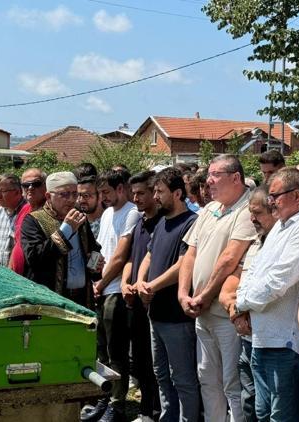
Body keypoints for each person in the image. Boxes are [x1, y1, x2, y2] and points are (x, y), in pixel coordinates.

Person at [234, 168, 299, 421]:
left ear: (297, 196)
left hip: (285, 343)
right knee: (263, 414)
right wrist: (242, 302)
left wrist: (241, 302)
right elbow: (255, 270)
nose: (270, 201)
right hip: (261, 338)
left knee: (282, 417)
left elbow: (278, 281)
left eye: (275, 196)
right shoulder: (281, 226)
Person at [178, 155, 256, 422]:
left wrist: (203, 296)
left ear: (236, 178)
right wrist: (183, 294)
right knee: (207, 378)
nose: (208, 181)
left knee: (232, 383)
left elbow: (229, 259)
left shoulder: (248, 210)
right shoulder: (209, 209)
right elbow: (190, 253)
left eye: (214, 174)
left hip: (226, 316)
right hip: (201, 312)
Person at [135, 167, 200, 422]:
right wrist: (141, 281)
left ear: (178, 193)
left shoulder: (191, 223)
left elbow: (183, 265)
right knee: (161, 373)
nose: (156, 196)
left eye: (160, 192)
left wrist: (152, 286)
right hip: (156, 313)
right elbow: (150, 255)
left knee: (182, 378)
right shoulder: (161, 222)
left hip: (176, 317)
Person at [218, 186, 277, 422]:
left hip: (270, 342)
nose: (252, 218)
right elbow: (234, 280)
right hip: (246, 339)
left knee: (268, 409)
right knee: (249, 402)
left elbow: (272, 290)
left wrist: (240, 310)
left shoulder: (282, 245)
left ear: (275, 211)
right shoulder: (255, 243)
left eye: (258, 212)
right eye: (250, 213)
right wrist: (234, 310)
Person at [88, 169, 141, 422]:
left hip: (115, 292)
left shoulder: (131, 213)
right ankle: (104, 397)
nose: (104, 198)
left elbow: (120, 256)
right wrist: (93, 275)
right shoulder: (108, 212)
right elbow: (100, 249)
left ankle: (117, 404)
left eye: (107, 192)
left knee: (117, 352)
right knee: (102, 352)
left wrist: (100, 284)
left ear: (121, 188)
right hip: (101, 288)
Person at [21, 171, 100, 304]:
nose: (70, 199)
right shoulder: (33, 220)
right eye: (64, 194)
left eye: (74, 194)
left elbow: (94, 249)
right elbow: (34, 257)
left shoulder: (80, 218)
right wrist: (66, 230)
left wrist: (95, 264)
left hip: (82, 297)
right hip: (50, 299)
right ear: (48, 196)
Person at [121, 171, 161, 422]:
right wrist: (126, 282)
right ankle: (147, 408)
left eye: (141, 193)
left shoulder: (163, 224)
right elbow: (131, 260)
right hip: (134, 302)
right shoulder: (139, 223)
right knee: (141, 361)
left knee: (155, 363)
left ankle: (154, 409)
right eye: (133, 194)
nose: (136, 199)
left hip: (154, 303)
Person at [9, 168, 47, 275]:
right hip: (17, 278)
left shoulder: (50, 213)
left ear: (46, 186)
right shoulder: (24, 209)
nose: (30, 188)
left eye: (36, 184)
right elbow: (17, 243)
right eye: (26, 185)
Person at [0, 174, 26, 267]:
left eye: (3, 191)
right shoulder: (0, 212)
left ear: (17, 192)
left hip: (14, 276)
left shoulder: (26, 212)